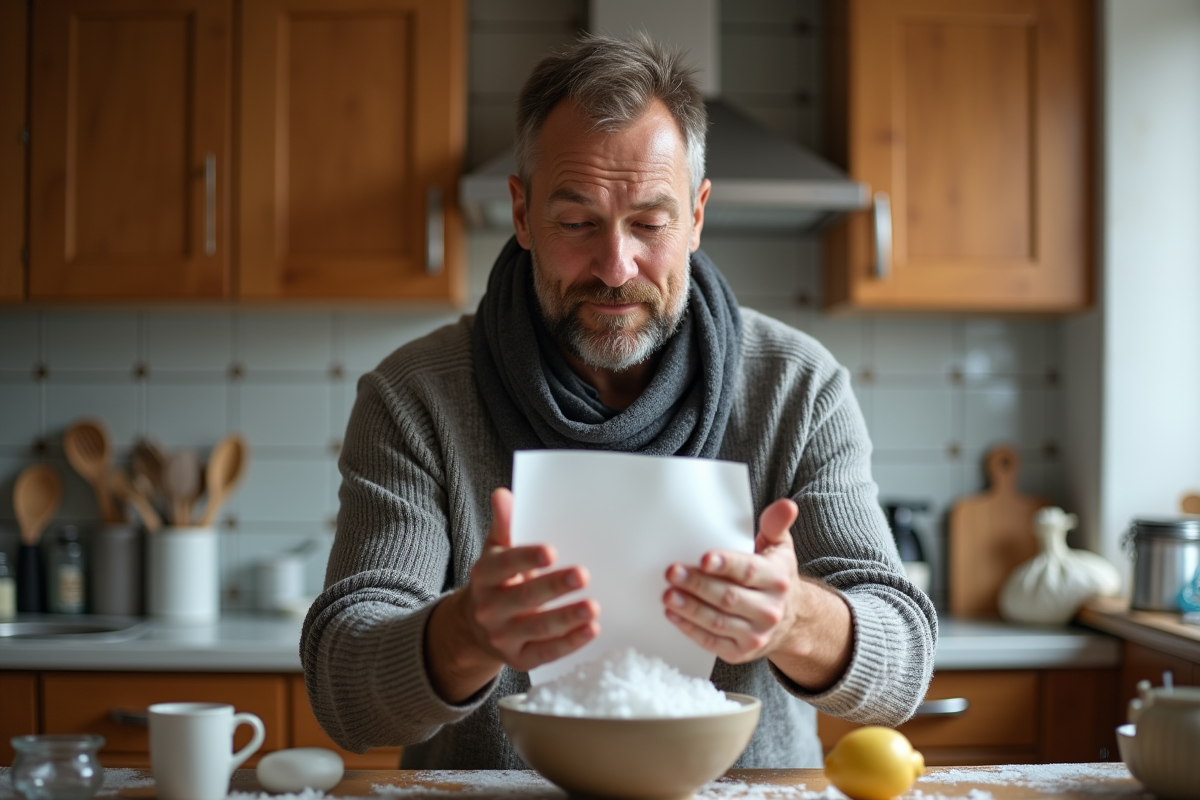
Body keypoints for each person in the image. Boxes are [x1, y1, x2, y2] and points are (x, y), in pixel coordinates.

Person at [301, 34, 936, 769]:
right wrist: (465, 632)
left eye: (650, 224)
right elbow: (342, 692)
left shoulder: (797, 386)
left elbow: (905, 667)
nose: (614, 266)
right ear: (521, 211)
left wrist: (796, 618)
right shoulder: (416, 396)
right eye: (577, 223)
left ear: (697, 216)